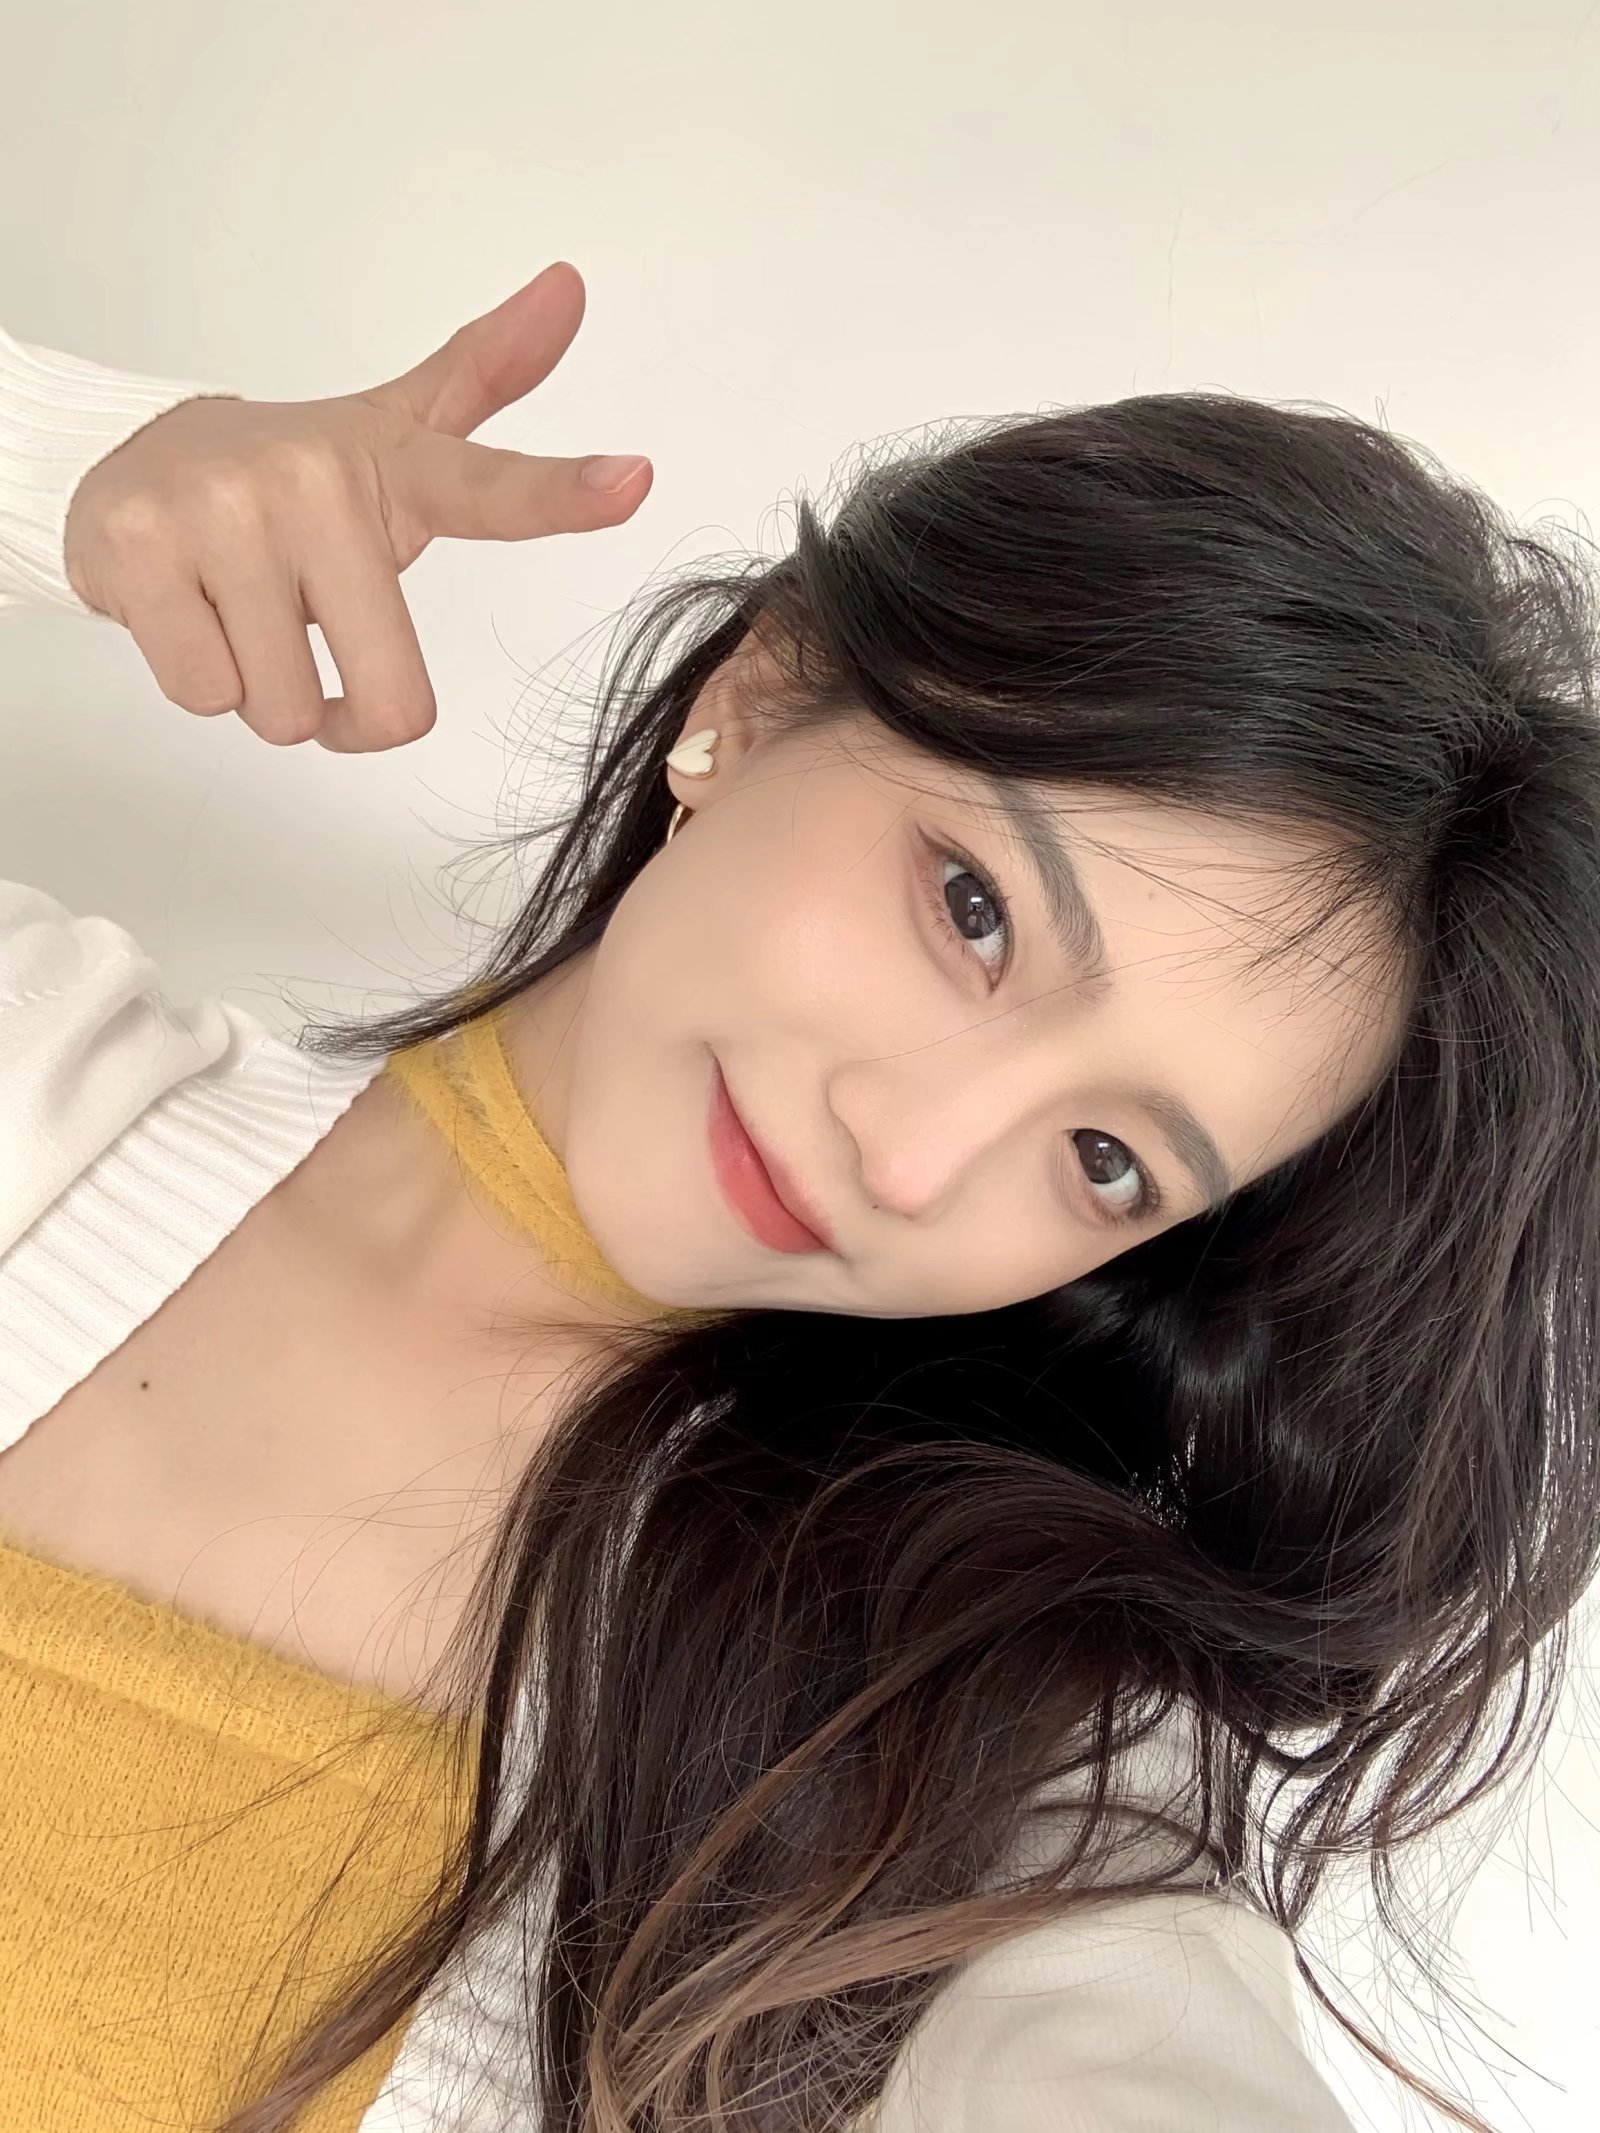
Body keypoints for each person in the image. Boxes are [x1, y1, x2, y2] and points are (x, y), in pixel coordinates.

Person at [0, 260, 1595, 2133]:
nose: (907, 1161)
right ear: (752, 707)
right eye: (976, 912)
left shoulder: (943, 1721)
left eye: (1105, 1157)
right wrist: (83, 472)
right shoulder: (42, 1081)